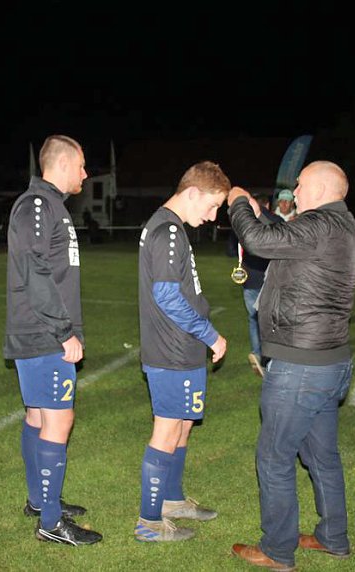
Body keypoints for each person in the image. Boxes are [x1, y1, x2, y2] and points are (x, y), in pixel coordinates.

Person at [229, 161, 355, 571]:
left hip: (301, 365)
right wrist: (261, 211)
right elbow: (283, 235)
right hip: (327, 360)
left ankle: (277, 549)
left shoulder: (320, 224)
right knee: (321, 456)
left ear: (320, 188)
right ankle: (332, 536)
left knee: (274, 457)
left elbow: (257, 240)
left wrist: (238, 204)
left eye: (300, 185)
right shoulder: (337, 223)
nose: (295, 192)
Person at [4, 135, 102, 546]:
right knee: (59, 420)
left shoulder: (50, 206)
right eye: (81, 166)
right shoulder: (37, 205)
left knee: (38, 418)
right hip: (44, 334)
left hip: (41, 332)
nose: (85, 174)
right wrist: (65, 332)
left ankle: (41, 501)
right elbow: (34, 269)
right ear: (62, 165)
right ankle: (50, 522)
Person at [135, 161, 230, 542]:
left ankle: (171, 500)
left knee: (184, 425)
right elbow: (167, 296)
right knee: (167, 429)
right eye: (212, 206)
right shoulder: (168, 231)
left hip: (182, 348)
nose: (212, 217)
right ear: (192, 193)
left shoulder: (171, 227)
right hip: (171, 350)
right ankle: (148, 523)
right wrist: (210, 335)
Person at [228, 193, 278, 377]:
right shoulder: (274, 221)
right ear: (267, 205)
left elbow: (231, 249)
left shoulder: (243, 223)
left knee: (253, 318)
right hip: (269, 278)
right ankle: (268, 358)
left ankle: (257, 353)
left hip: (248, 278)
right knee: (271, 320)